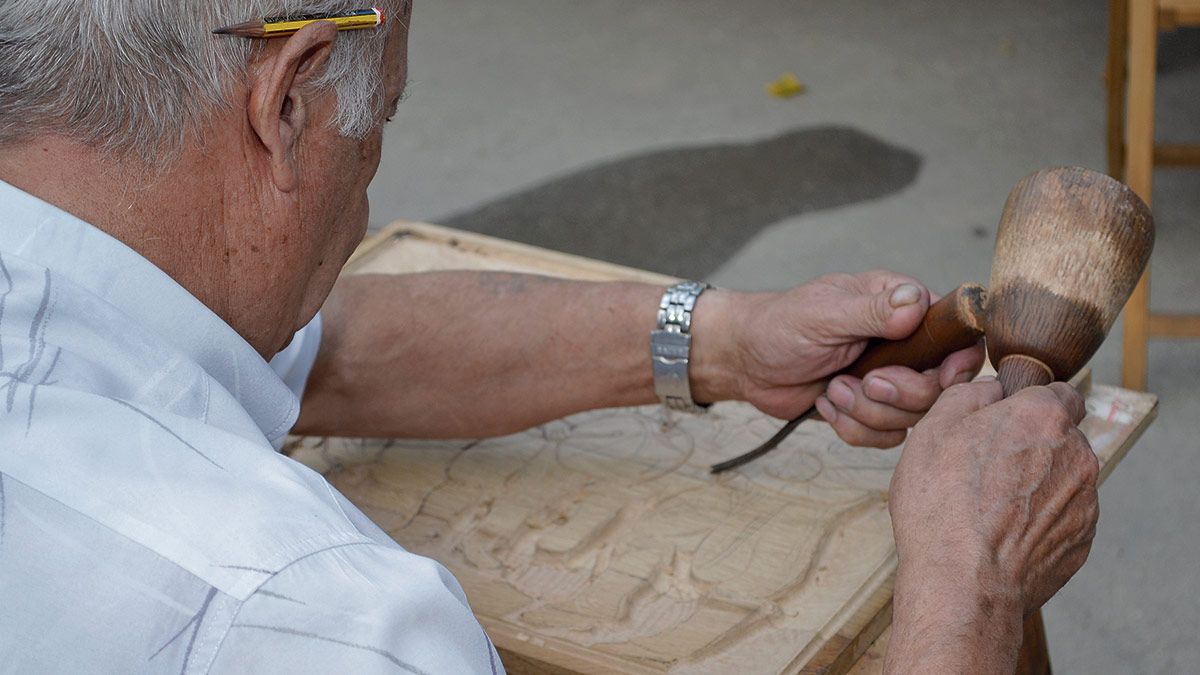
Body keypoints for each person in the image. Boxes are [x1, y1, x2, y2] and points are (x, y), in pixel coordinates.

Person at [0, 2, 1098, 672]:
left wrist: (723, 340)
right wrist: (970, 583)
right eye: (377, 127)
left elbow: (309, 350)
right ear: (285, 102)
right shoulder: (311, 624)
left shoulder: (82, 276)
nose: (365, 197)